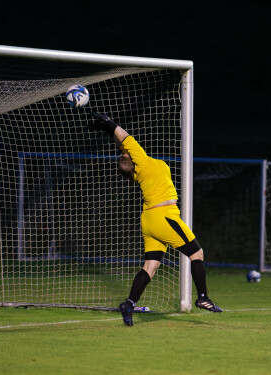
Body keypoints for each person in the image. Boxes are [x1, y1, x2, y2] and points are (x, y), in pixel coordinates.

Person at [88, 113, 223, 326]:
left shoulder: (137, 171)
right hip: (163, 217)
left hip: (149, 220)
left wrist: (108, 131)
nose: (125, 153)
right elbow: (126, 139)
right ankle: (203, 298)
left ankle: (129, 304)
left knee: (150, 266)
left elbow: (123, 145)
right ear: (133, 160)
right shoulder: (142, 163)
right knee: (197, 253)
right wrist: (111, 124)